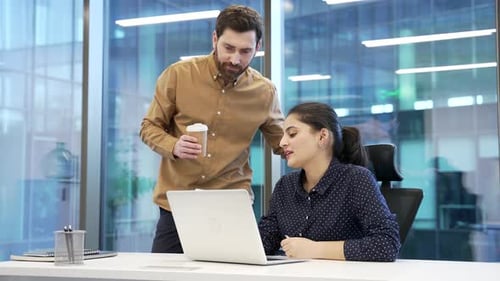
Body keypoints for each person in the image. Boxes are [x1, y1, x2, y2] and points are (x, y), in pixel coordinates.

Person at [139, 5, 284, 253]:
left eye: (245, 51)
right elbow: (149, 127)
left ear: (257, 48)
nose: (235, 59)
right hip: (177, 204)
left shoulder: (264, 91)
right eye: (228, 48)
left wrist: (322, 144)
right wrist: (173, 145)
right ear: (215, 39)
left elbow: (283, 143)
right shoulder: (178, 75)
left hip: (231, 206)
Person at [258, 102, 401, 262]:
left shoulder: (356, 179)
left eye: (292, 134)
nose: (282, 142)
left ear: (322, 136)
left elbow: (387, 244)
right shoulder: (285, 185)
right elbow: (264, 241)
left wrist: (314, 249)